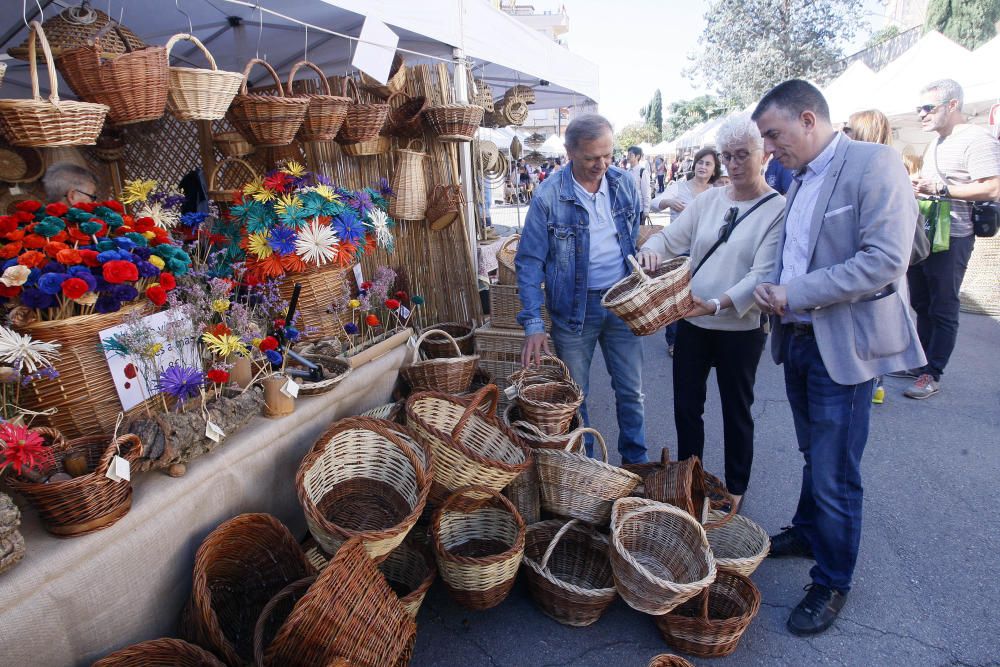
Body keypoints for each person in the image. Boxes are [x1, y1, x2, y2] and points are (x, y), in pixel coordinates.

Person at [751, 80, 925, 636]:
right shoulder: (798, 176)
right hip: (799, 339)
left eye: (773, 135)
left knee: (835, 471)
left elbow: (884, 261)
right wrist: (773, 285)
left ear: (808, 119)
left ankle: (832, 581)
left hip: (842, 346)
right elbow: (795, 251)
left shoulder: (874, 164)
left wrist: (794, 293)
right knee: (814, 454)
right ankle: (808, 530)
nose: (768, 150)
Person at [638, 114, 785, 512]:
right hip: (692, 320)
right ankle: (690, 477)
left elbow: (763, 273)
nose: (734, 164)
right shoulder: (709, 200)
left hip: (740, 326)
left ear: (763, 155)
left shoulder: (776, 208)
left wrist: (719, 303)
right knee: (687, 407)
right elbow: (671, 237)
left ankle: (736, 487)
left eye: (743, 155)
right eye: (728, 156)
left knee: (737, 410)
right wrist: (653, 250)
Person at [515, 113, 647, 464]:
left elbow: (633, 234)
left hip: (623, 303)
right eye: (591, 158)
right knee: (577, 397)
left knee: (631, 392)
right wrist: (533, 325)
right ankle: (585, 470)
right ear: (570, 151)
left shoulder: (623, 183)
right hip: (574, 311)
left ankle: (637, 464)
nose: (601, 164)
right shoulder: (548, 196)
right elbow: (528, 262)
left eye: (608, 155)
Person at [893, 79, 1000, 399]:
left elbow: (993, 187)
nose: (921, 115)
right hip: (927, 233)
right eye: (919, 109)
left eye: (928, 108)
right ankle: (921, 362)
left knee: (942, 305)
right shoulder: (938, 140)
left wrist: (940, 190)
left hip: (953, 235)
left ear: (952, 105)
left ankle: (932, 372)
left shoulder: (976, 138)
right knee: (920, 301)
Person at [844, 108, 908, 405]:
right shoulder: (876, 163)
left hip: (875, 277)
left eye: (849, 128)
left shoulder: (880, 164)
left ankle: (874, 381)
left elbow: (883, 257)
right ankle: (875, 380)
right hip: (871, 278)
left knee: (871, 323)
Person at [652, 147, 719, 218]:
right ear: (694, 166)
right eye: (700, 162)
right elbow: (653, 204)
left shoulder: (715, 192)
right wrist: (668, 202)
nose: (703, 166)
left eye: (708, 164)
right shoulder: (678, 187)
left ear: (714, 171)